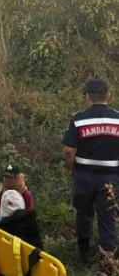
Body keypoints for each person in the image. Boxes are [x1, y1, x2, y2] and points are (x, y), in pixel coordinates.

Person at [63, 78, 119, 264]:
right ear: (108, 96)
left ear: (87, 97)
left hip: (84, 177)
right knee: (108, 217)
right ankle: (108, 262)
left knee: (84, 213)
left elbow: (69, 150)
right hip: (111, 178)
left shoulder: (78, 119)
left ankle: (83, 252)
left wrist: (75, 170)